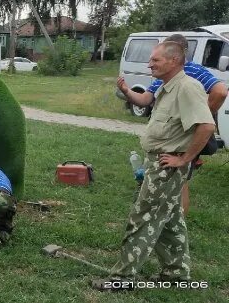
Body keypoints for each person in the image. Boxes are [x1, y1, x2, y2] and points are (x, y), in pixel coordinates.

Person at [95, 41, 215, 291]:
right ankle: (176, 274)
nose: (150, 64)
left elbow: (206, 126)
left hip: (166, 166)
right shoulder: (166, 86)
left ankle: (122, 279)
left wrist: (184, 159)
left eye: (155, 60)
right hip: (160, 163)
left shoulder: (187, 88)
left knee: (142, 218)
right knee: (170, 220)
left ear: (173, 61)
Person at [117, 34, 228, 215]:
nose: (150, 63)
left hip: (181, 141)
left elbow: (221, 92)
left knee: (179, 181)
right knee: (174, 185)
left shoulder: (191, 74)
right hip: (167, 142)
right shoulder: (165, 77)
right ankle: (173, 221)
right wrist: (127, 91)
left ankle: (175, 216)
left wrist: (197, 119)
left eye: (157, 57)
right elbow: (146, 99)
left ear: (176, 55)